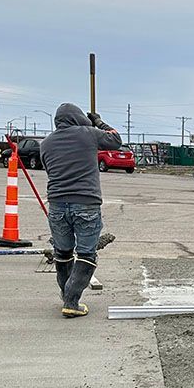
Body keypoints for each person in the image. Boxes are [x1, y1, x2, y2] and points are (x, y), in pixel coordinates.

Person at [39, 103, 122, 318]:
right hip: (85, 202)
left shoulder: (46, 143)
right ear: (77, 118)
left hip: (57, 204)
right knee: (86, 253)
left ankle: (67, 295)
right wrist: (98, 121)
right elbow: (115, 140)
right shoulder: (88, 134)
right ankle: (72, 301)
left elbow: (49, 169)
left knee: (63, 253)